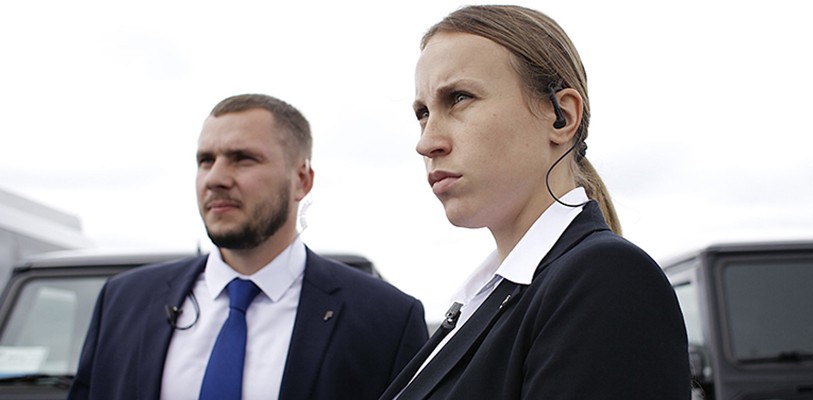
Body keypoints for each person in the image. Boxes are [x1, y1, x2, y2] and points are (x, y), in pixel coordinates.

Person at [380, 5, 690, 400]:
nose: (427, 142)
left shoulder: (606, 280)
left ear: (562, 117)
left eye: (459, 98)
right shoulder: (487, 299)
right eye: (423, 113)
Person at [68, 94, 429, 400]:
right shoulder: (123, 302)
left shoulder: (387, 321)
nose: (215, 178)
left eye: (242, 158)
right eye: (205, 160)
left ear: (301, 179)